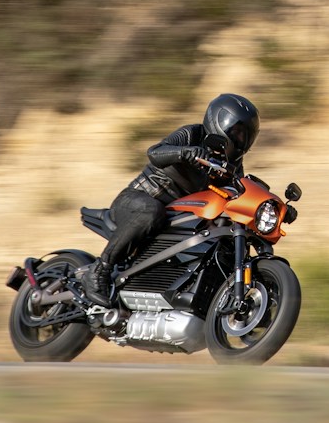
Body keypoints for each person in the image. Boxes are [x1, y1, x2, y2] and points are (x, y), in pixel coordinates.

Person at [79, 93, 260, 307]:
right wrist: (185, 153)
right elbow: (154, 152)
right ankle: (99, 270)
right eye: (236, 131)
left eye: (244, 135)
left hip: (175, 217)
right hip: (139, 200)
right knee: (151, 211)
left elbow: (236, 191)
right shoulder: (192, 134)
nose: (239, 139)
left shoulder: (234, 165)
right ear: (219, 122)